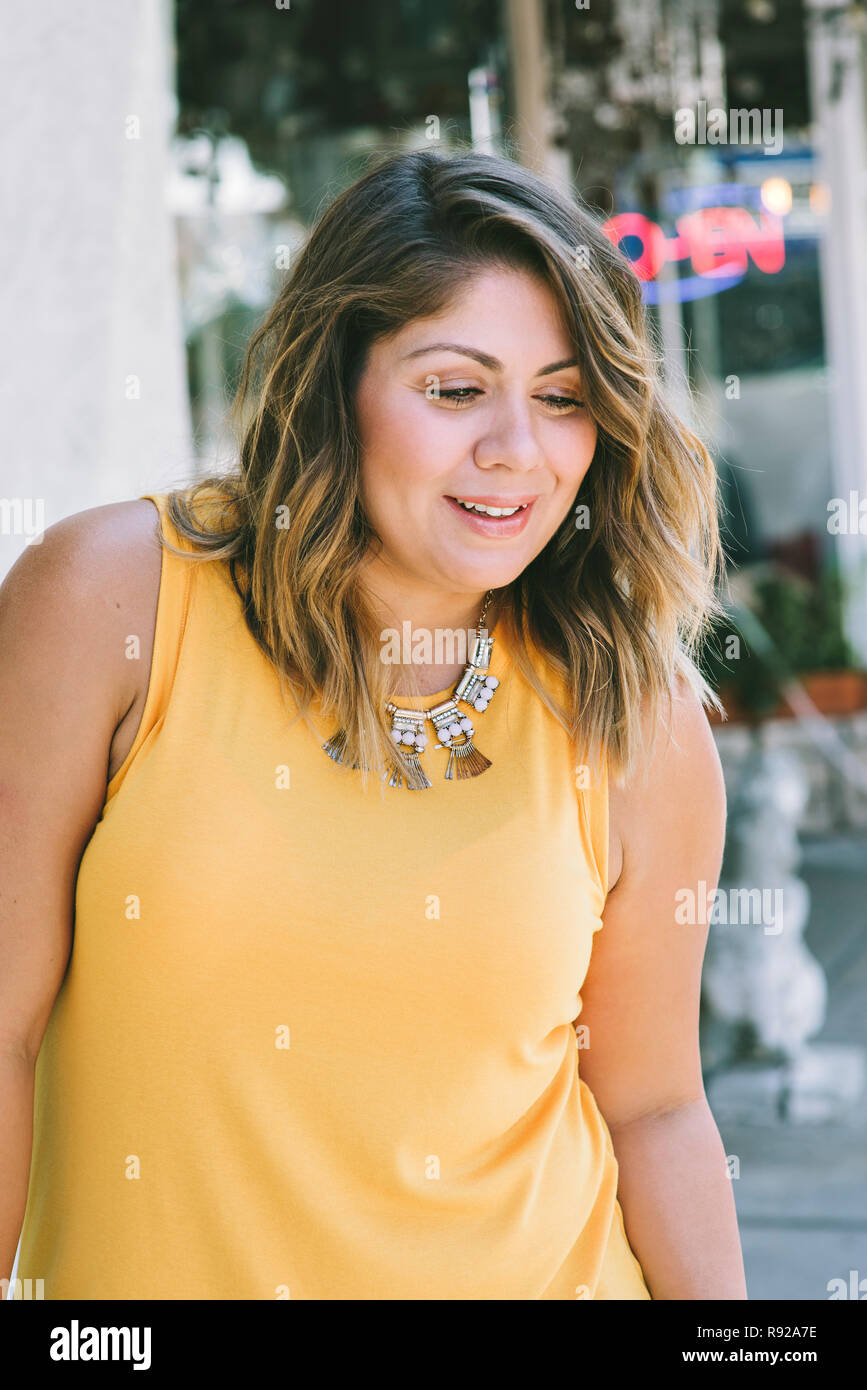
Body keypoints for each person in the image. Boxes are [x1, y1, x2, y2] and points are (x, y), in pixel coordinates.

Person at [1, 147, 746, 1300]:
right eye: (455, 389)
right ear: (332, 381)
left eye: (562, 397)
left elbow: (652, 1107)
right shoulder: (112, 603)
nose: (517, 450)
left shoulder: (634, 712)